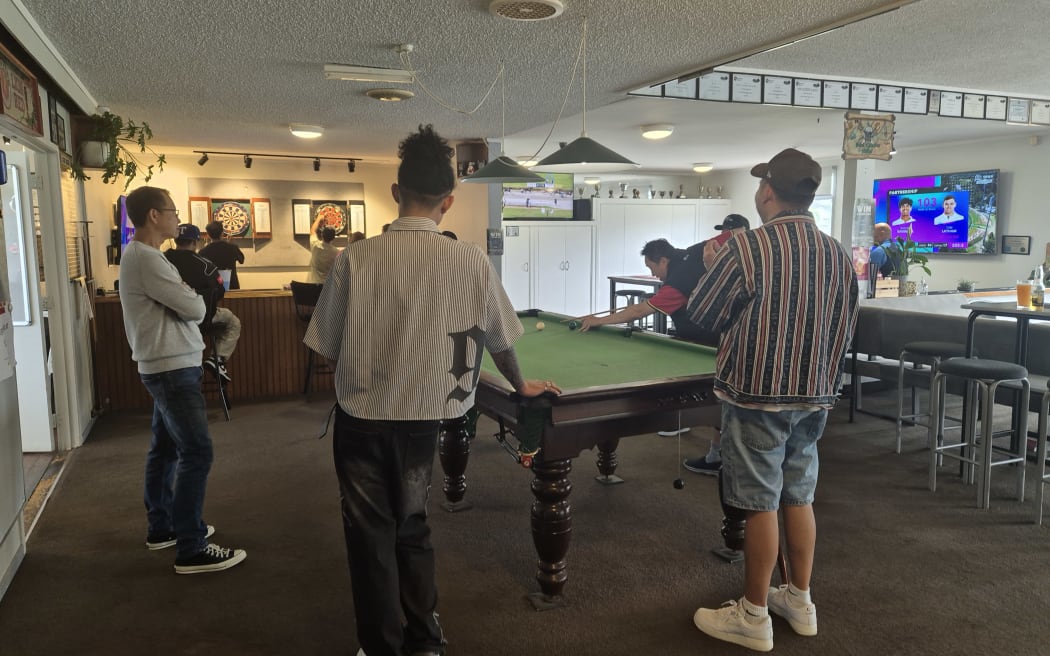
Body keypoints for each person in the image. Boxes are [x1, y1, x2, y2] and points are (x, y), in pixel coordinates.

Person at [304, 124, 561, 656]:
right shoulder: (470, 260)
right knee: (413, 524)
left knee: (369, 535)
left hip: (362, 420)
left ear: (395, 192)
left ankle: (381, 646)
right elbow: (500, 340)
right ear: (449, 200)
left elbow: (326, 346)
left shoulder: (354, 258)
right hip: (427, 419)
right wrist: (521, 384)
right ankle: (425, 640)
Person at [687, 148, 858, 652]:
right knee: (799, 495)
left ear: (767, 192)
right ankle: (800, 601)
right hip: (815, 396)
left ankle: (753, 614)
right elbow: (848, 325)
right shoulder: (838, 253)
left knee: (760, 502)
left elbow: (702, 314)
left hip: (756, 395)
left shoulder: (747, 247)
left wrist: (713, 269)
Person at [118, 186, 246, 574]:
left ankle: (163, 528)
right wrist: (189, 294)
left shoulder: (145, 256)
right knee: (196, 452)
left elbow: (189, 301)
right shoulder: (147, 258)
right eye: (173, 211)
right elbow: (194, 307)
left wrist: (187, 295)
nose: (178, 218)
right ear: (154, 215)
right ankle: (192, 546)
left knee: (165, 449)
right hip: (172, 367)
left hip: (167, 364)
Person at [579, 214, 750, 472]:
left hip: (709, 344)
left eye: (653, 268)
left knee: (716, 400)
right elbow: (737, 233)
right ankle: (712, 451)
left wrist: (599, 320)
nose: (654, 275)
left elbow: (639, 311)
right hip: (715, 338)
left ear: (664, 260)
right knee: (717, 401)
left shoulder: (676, 285)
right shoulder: (695, 251)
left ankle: (703, 442)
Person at [164, 223, 242, 382]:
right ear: (195, 242)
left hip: (167, 321)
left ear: (175, 239)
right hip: (202, 319)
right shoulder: (206, 265)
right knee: (233, 322)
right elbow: (219, 291)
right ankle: (217, 359)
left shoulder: (162, 261)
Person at [198, 221, 245, 290]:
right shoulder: (232, 248)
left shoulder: (203, 252)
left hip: (212, 288)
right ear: (222, 233)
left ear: (208, 235)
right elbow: (241, 260)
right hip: (231, 286)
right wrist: (232, 245)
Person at [307, 216, 340, 283]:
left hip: (314, 286)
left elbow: (312, 230)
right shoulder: (336, 252)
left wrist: (318, 218)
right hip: (327, 286)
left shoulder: (315, 246)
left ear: (322, 235)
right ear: (333, 238)